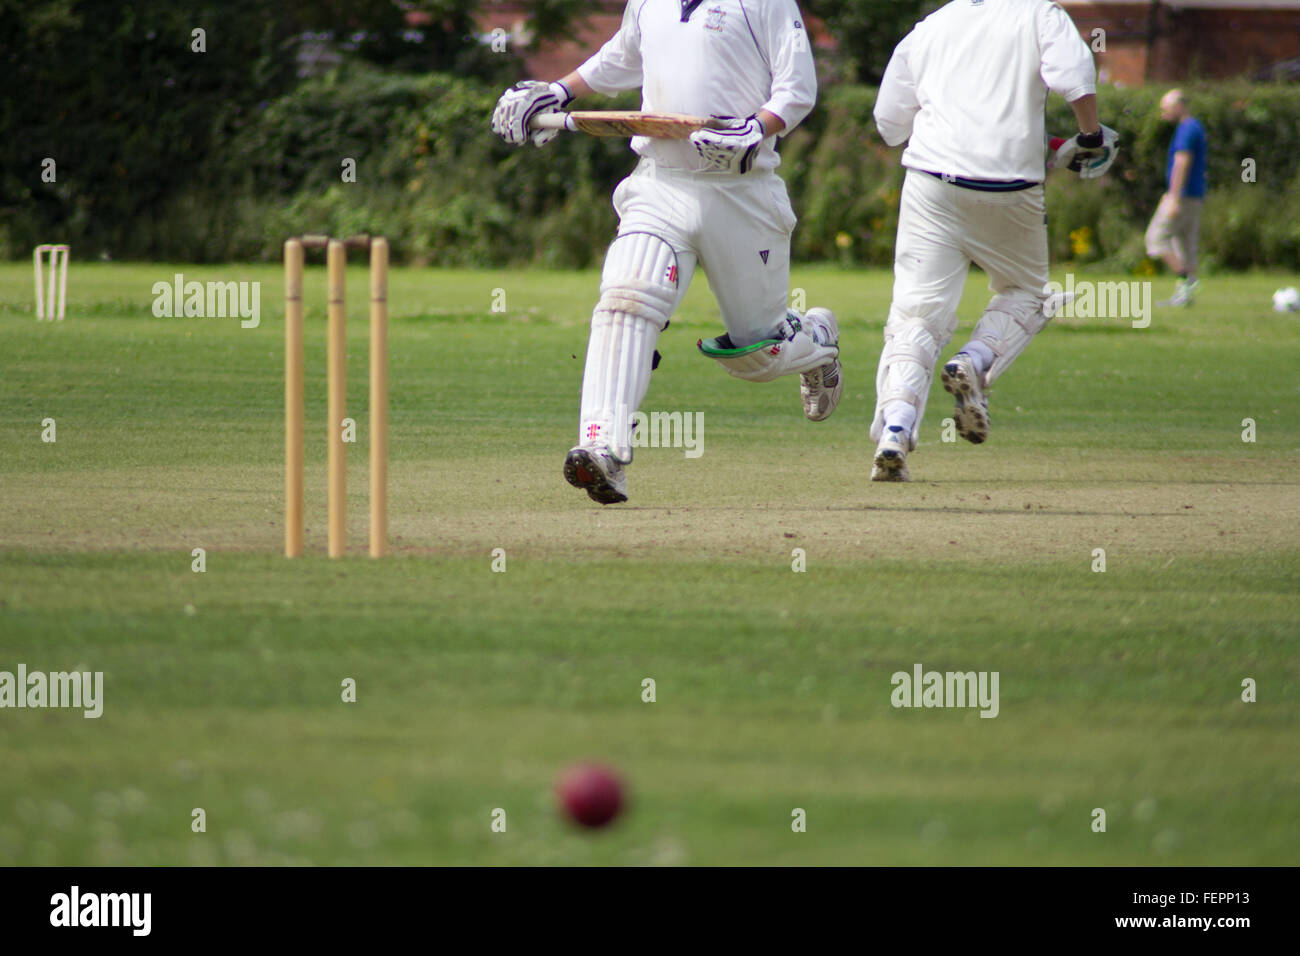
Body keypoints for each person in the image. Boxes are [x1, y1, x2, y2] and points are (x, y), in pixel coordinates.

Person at [490, 0, 841, 505]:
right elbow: (625, 55)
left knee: (758, 354)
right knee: (626, 299)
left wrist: (756, 127)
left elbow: (797, 88)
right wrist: (558, 91)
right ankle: (603, 449)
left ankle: (816, 339)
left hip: (742, 192)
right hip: (661, 183)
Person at [868, 0, 1116, 481]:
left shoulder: (930, 27)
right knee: (1029, 294)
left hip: (930, 182)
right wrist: (1089, 137)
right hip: (1009, 188)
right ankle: (974, 360)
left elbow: (889, 124)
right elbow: (1076, 77)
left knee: (917, 316)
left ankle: (895, 429)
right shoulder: (1039, 14)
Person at [1146, 89, 1207, 307]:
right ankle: (1185, 296)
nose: (1163, 113)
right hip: (1194, 196)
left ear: (1179, 105)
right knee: (1185, 246)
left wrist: (1173, 197)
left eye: (1166, 108)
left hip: (1182, 197)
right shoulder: (1195, 127)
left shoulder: (1187, 129)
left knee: (1155, 240)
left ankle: (1186, 279)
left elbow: (1182, 162)